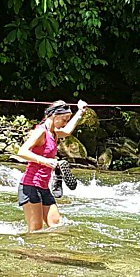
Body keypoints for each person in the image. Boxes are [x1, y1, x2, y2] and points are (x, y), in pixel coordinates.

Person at [16, 99, 88, 233]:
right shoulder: (41, 132)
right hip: (30, 186)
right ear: (54, 116)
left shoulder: (54, 133)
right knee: (35, 230)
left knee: (56, 225)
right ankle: (27, 253)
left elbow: (67, 132)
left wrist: (80, 112)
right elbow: (22, 152)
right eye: (64, 119)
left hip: (43, 187)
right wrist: (45, 160)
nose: (65, 123)